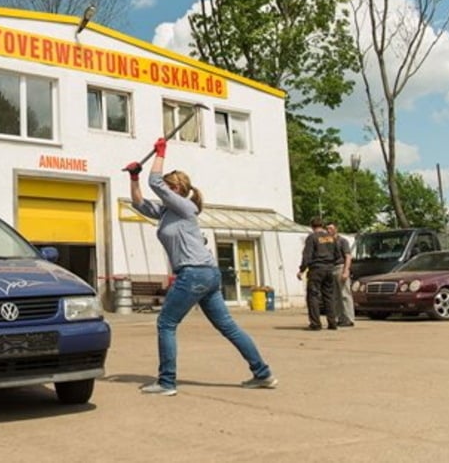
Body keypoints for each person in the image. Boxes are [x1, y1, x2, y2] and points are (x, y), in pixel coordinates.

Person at [123, 137, 277, 396]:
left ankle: (167, 382)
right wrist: (134, 177)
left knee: (166, 324)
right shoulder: (165, 213)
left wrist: (161, 153)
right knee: (228, 327)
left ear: (177, 190)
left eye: (168, 189)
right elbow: (139, 203)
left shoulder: (185, 207)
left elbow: (156, 182)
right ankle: (263, 374)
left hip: (194, 273)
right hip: (206, 274)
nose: (163, 193)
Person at [296, 217, 343, 330]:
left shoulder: (312, 238)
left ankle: (316, 324)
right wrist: (331, 263)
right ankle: (332, 323)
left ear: (312, 226)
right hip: (329, 269)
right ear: (322, 225)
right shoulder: (331, 238)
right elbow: (338, 255)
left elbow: (307, 256)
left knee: (313, 296)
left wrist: (302, 270)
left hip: (316, 269)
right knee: (329, 296)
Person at [326, 221, 355, 327]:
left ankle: (349, 318)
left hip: (340, 267)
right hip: (331, 268)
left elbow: (348, 256)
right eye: (327, 228)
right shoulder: (327, 242)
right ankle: (339, 318)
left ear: (336, 229)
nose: (329, 230)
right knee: (335, 296)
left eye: (331, 228)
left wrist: (346, 270)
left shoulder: (342, 241)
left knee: (345, 294)